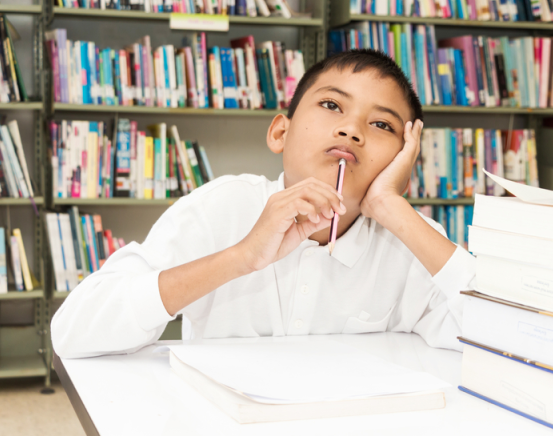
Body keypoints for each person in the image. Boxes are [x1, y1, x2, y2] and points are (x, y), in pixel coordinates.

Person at [52, 49, 476, 359]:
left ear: (405, 159)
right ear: (280, 133)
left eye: (381, 124)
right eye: (331, 105)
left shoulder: (411, 242)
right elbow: (73, 332)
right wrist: (239, 257)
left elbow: (513, 341)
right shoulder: (223, 207)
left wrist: (392, 206)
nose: (350, 129)